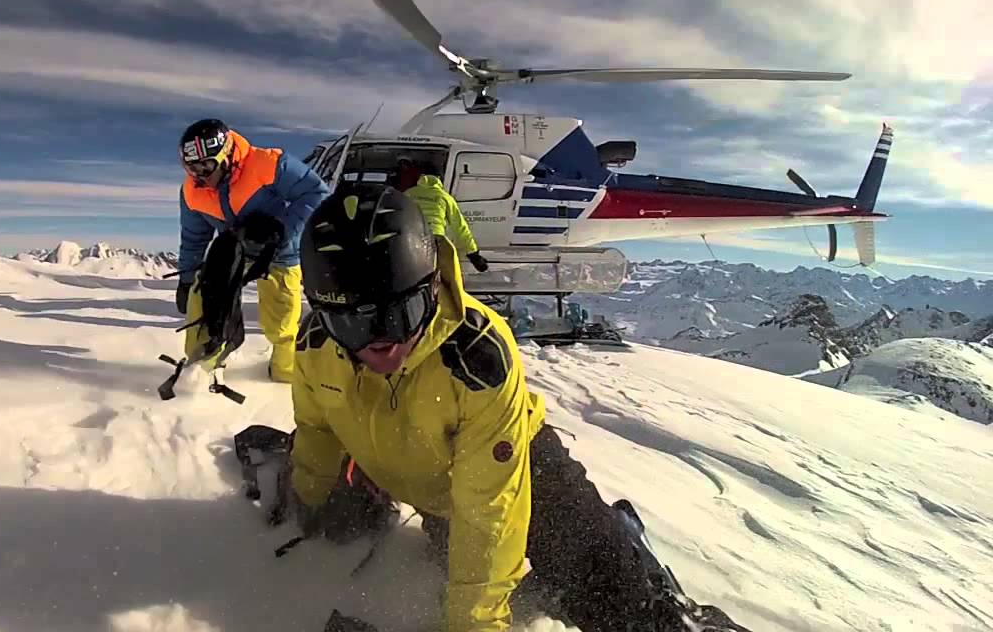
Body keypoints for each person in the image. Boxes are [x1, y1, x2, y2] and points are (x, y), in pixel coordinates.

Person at [286, 182, 749, 632]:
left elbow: (488, 513)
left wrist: (475, 626)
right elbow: (317, 429)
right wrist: (305, 498)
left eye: (398, 315)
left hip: (523, 471)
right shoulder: (315, 345)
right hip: (439, 492)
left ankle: (634, 565)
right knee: (471, 570)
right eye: (352, 324)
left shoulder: (475, 358)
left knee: (617, 606)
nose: (382, 343)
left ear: (431, 287)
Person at [176, 118, 329, 383]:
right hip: (233, 251)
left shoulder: (268, 164)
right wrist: (186, 279)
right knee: (205, 299)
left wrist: (280, 230)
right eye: (192, 169)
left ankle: (284, 372)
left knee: (281, 321)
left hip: (278, 252)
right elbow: (194, 238)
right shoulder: (192, 191)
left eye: (206, 166)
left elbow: (316, 193)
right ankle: (201, 370)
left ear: (225, 155)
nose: (201, 176)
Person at [393, 157, 489, 273]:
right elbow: (460, 227)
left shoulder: (408, 193)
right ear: (438, 179)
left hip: (412, 236)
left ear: (421, 177)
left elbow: (396, 215)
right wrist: (473, 255)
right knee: (440, 271)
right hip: (436, 239)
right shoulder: (445, 197)